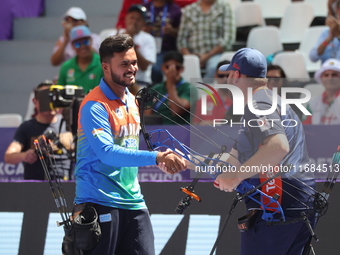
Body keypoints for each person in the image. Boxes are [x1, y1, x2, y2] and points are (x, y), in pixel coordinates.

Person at [73, 34, 187, 255]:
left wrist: (159, 160)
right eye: (124, 63)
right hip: (98, 201)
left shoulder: (132, 101)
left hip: (133, 202)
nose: (132, 68)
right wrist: (157, 157)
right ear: (106, 67)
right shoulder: (93, 105)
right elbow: (107, 153)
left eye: (133, 62)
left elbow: (128, 149)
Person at [213, 48, 315, 254]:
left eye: (228, 74)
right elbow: (236, 156)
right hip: (297, 199)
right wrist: (189, 162)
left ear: (235, 75)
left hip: (280, 202)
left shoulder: (258, 102)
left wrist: (235, 177)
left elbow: (278, 146)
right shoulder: (270, 99)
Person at [4, 81, 74, 180]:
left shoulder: (69, 124)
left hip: (67, 183)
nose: (49, 102)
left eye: (53, 97)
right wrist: (24, 155)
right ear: (35, 102)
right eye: (45, 98)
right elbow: (9, 156)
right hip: (36, 186)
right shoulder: (27, 127)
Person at [177, 0, 235, 78]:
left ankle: (205, 90)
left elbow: (228, 38)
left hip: (216, 54)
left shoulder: (224, 7)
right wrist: (190, 57)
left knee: (214, 68)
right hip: (192, 54)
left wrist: (207, 56)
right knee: (177, 69)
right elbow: (181, 40)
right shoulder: (189, 10)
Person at [108, 5, 157, 93]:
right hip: (116, 81)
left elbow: (144, 66)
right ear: (126, 18)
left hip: (140, 83)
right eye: (132, 18)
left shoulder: (148, 39)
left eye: (138, 19)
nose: (134, 22)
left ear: (143, 23)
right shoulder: (113, 35)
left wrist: (130, 42)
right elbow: (106, 61)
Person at [146, 50, 198, 124]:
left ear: (182, 69)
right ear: (163, 68)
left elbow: (176, 111)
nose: (172, 71)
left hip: (180, 132)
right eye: (168, 67)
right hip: (158, 132)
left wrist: (171, 84)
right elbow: (147, 118)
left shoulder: (189, 88)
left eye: (177, 67)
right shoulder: (154, 89)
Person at [143, 0, 182, 84]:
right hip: (145, 48)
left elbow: (181, 34)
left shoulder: (175, 9)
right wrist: (143, 31)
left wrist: (172, 31)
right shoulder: (144, 8)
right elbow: (136, 28)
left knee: (155, 69)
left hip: (166, 49)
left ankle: (155, 92)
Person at [57, 25, 103, 94]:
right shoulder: (66, 67)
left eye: (85, 42)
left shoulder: (102, 63)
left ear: (91, 41)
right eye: (77, 44)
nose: (82, 47)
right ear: (72, 46)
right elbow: (60, 92)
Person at [193, 60, 235, 125]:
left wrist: (215, 124)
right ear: (215, 76)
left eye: (228, 76)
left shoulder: (242, 102)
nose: (225, 79)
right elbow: (194, 126)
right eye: (221, 76)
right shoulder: (204, 100)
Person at [303, 58, 340, 124]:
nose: (330, 78)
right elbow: (305, 128)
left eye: (334, 75)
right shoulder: (313, 103)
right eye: (326, 75)